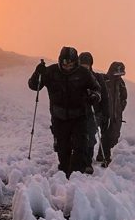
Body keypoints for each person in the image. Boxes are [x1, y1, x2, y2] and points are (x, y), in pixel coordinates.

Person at [28, 47, 101, 178]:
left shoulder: (83, 73)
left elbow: (96, 88)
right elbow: (34, 86)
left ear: (75, 62)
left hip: (80, 117)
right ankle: (65, 175)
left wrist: (94, 96)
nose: (67, 66)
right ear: (60, 60)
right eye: (65, 63)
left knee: (81, 147)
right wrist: (37, 73)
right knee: (63, 149)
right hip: (59, 118)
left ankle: (76, 177)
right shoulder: (51, 72)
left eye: (71, 63)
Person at [79, 52, 110, 173]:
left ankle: (87, 162)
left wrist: (106, 115)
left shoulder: (97, 78)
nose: (85, 67)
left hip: (93, 113)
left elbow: (105, 97)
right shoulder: (75, 77)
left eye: (87, 64)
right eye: (82, 64)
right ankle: (78, 159)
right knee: (79, 137)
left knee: (90, 137)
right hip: (78, 113)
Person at [98, 61, 127, 165]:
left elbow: (124, 98)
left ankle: (104, 155)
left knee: (114, 136)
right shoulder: (105, 81)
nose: (119, 76)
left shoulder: (121, 84)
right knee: (106, 135)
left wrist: (119, 110)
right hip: (106, 114)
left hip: (116, 115)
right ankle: (104, 156)